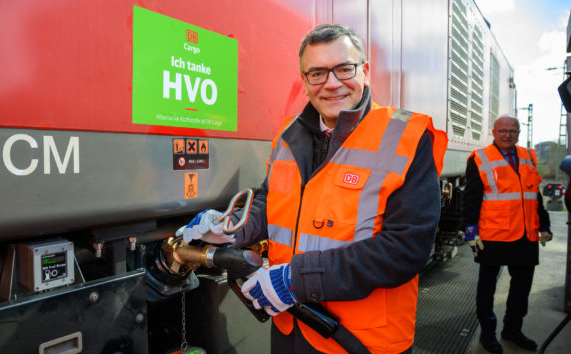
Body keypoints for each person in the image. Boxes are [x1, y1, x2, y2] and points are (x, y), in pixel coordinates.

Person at [178, 24, 447, 353]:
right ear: (305, 82)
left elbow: (406, 249)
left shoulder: (405, 137)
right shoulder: (290, 134)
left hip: (359, 340)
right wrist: (232, 228)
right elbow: (271, 202)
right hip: (293, 328)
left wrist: (294, 280)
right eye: (317, 73)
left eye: (343, 69)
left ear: (365, 71)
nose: (332, 84)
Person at [462, 115, 552, 353]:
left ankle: (512, 330)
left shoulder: (529, 157)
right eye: (502, 130)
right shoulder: (480, 158)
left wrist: (544, 224)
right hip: (493, 235)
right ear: (493, 132)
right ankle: (488, 333)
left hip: (525, 235)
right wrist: (470, 230)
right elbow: (471, 197)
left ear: (519, 132)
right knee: (486, 289)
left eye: (512, 131)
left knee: (521, 289)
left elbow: (536, 195)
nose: (507, 135)